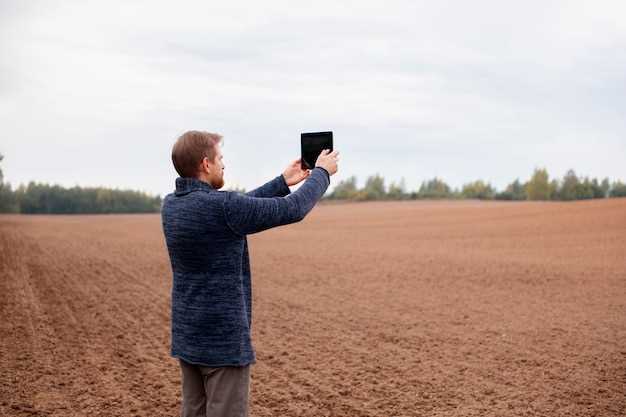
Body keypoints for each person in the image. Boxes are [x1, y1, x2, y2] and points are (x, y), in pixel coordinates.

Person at [160, 130, 339, 417]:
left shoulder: (172, 205)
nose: (224, 164)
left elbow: (233, 214)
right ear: (206, 164)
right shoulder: (222, 207)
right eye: (220, 158)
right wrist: (322, 173)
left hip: (189, 337)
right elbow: (292, 209)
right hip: (223, 343)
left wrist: (282, 182)